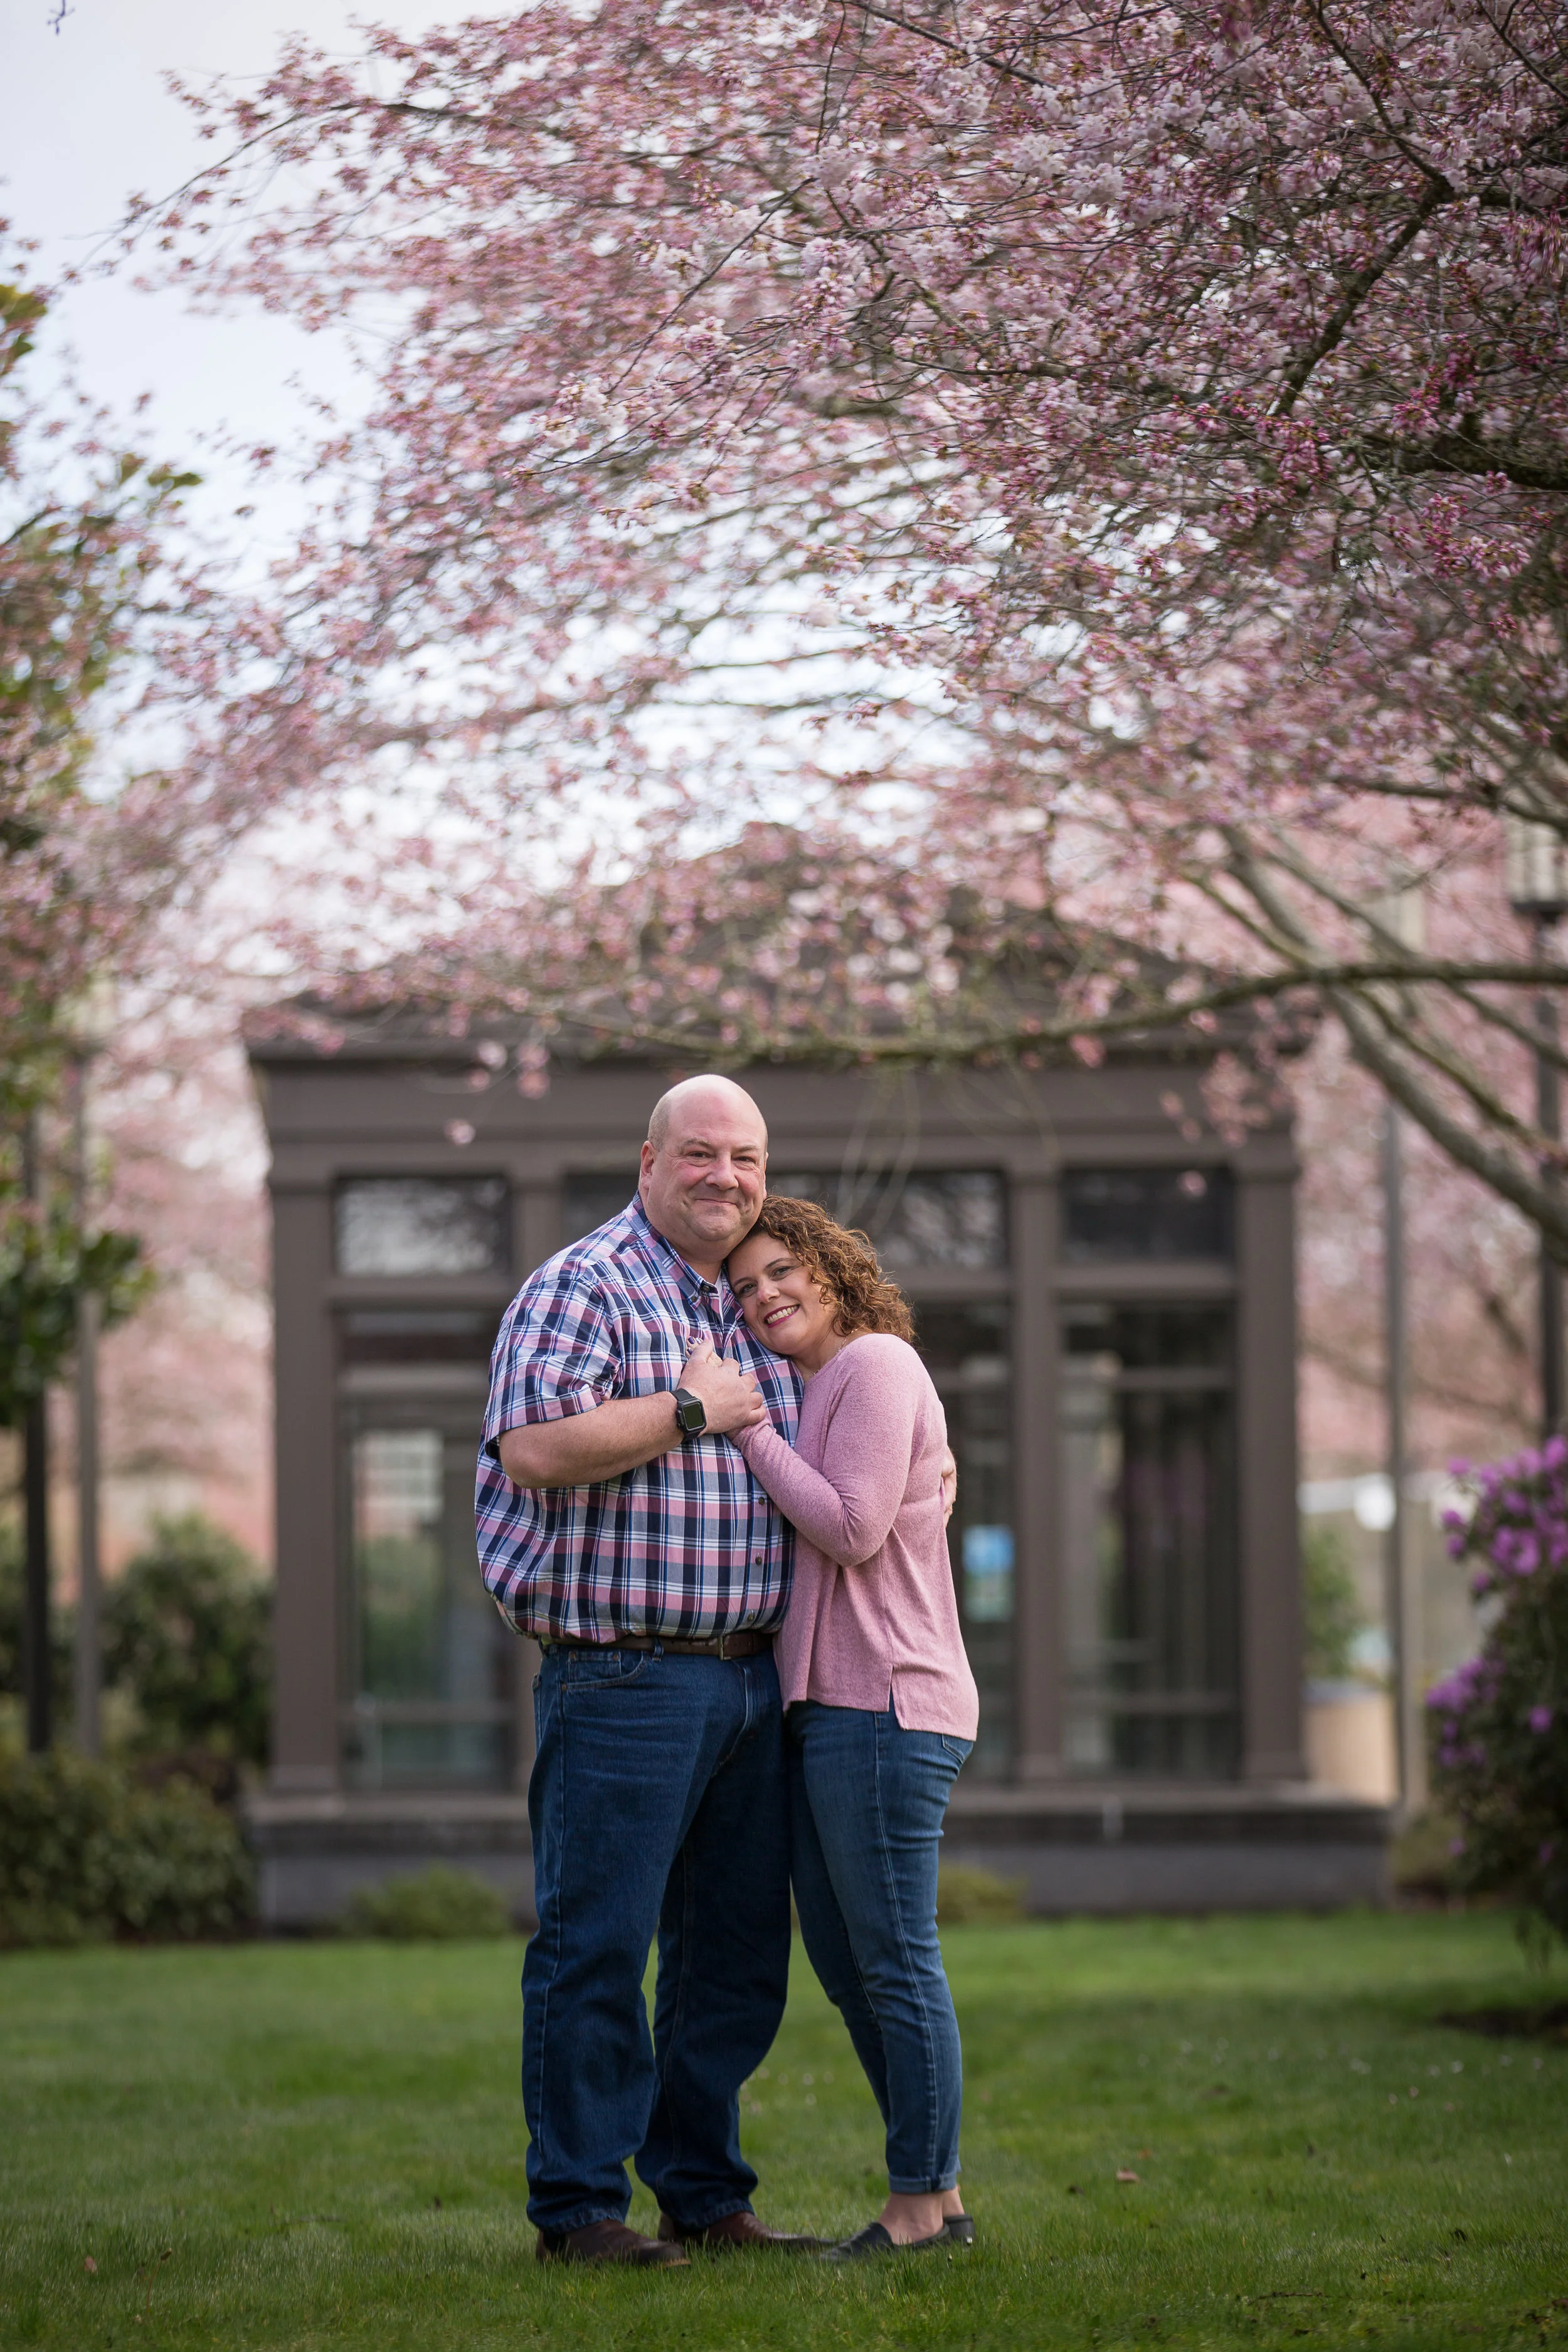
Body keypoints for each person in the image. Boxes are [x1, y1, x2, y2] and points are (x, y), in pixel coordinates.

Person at [475, 1075, 822, 2266]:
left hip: (749, 1679)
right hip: (622, 1679)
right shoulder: (585, 1284)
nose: (728, 1176)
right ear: (649, 1160)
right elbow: (531, 1450)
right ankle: (578, 2210)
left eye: (749, 1157)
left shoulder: (760, 1302)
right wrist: (683, 1409)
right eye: (703, 1154)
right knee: (600, 1948)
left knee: (730, 1956)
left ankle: (704, 2194)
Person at [726, 1193, 980, 2259]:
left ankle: (918, 2203)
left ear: (831, 1266)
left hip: (887, 1700)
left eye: (782, 1268)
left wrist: (743, 1428)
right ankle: (941, 2195)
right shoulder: (823, 1385)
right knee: (845, 1957)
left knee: (893, 1958)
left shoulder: (874, 1365)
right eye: (744, 1287)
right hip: (833, 1710)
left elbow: (853, 1526)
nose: (764, 1293)